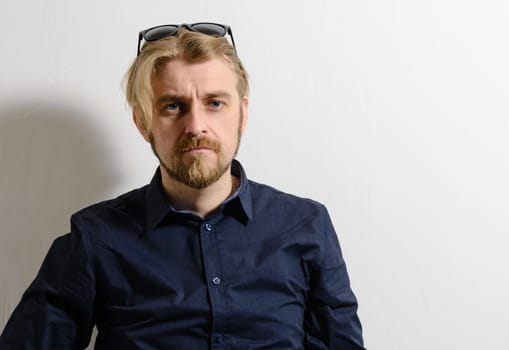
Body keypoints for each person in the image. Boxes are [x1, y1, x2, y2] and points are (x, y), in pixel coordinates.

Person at [0, 23, 365, 349]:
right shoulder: (95, 239)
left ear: (243, 114)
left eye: (215, 103)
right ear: (144, 123)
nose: (196, 125)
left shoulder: (306, 225)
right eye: (173, 106)